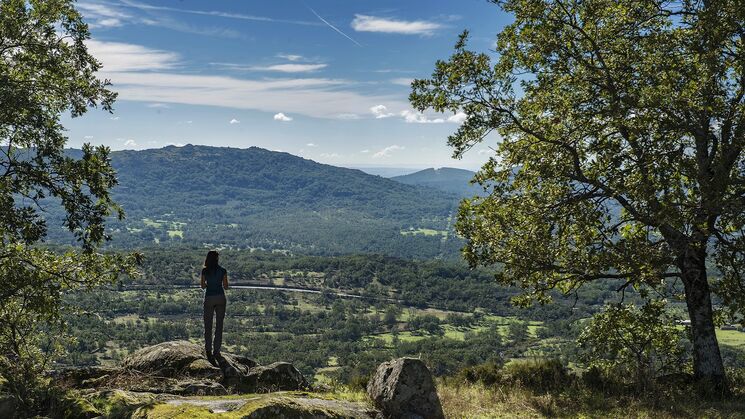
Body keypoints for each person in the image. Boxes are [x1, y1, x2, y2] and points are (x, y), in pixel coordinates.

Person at [201, 250, 229, 362]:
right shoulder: (223, 271)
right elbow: (226, 286)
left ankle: (208, 350)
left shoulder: (205, 271)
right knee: (219, 325)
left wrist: (209, 284)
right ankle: (216, 351)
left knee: (208, 325)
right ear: (217, 259)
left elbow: (202, 286)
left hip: (209, 298)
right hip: (221, 298)